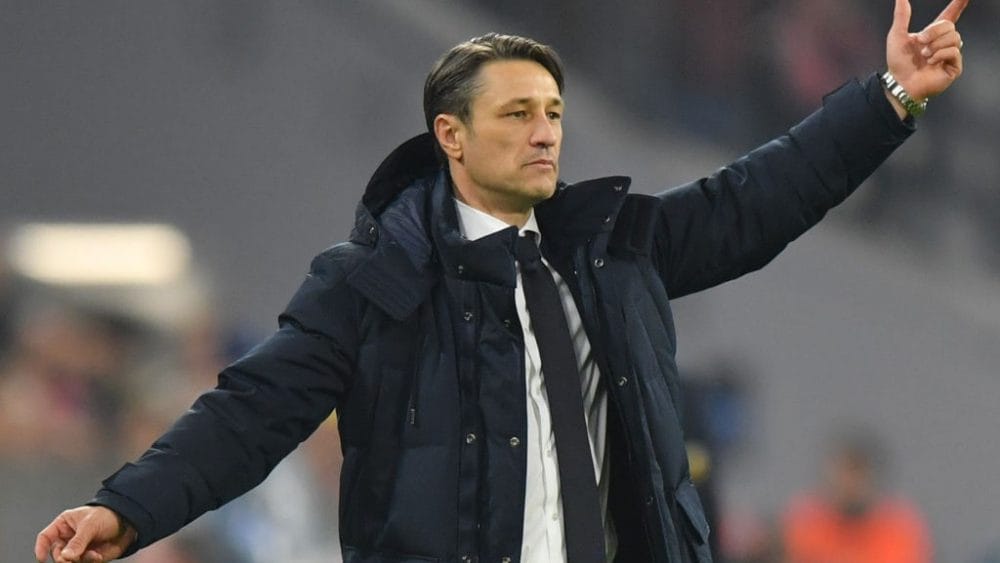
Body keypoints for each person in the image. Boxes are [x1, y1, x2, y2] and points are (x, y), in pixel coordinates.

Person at [35, 0, 968, 561]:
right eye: (518, 112)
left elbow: (753, 201)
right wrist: (128, 505)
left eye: (555, 112)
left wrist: (884, 101)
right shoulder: (370, 287)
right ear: (451, 135)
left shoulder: (618, 250)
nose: (547, 131)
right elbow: (251, 410)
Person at [782, 430, 932, 563]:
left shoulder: (899, 527)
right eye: (841, 474)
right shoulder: (806, 520)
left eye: (856, 474)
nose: (848, 484)